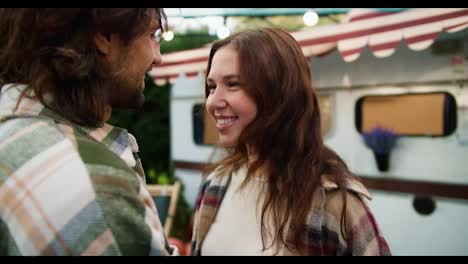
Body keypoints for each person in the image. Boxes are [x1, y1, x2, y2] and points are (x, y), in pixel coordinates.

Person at [190, 28, 391, 256]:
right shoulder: (216, 184)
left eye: (233, 84)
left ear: (278, 92)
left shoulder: (334, 204)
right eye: (212, 86)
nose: (212, 102)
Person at [0, 8, 178, 256]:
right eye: (151, 35)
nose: (158, 57)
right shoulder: (98, 188)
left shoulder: (10, 133)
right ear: (104, 36)